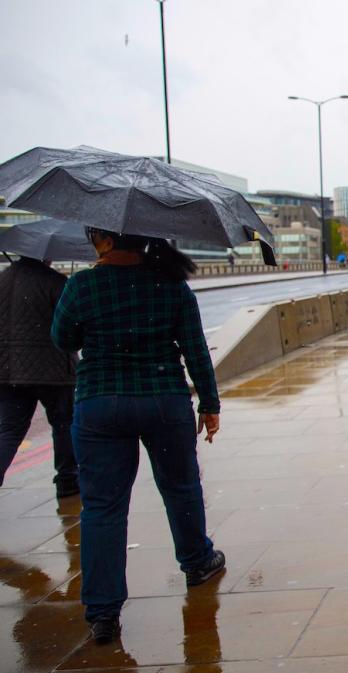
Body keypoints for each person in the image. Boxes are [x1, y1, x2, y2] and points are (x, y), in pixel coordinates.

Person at [51, 228, 226, 644]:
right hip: (163, 399)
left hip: (100, 406)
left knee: (102, 507)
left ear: (108, 241)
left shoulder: (82, 284)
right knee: (181, 487)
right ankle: (197, 560)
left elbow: (62, 339)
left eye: (93, 234)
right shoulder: (170, 283)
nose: (91, 240)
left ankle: (103, 612)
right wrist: (210, 404)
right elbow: (194, 348)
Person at [0, 256, 79, 497]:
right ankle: (67, 480)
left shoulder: (2, 280)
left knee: (9, 429)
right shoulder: (55, 282)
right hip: (53, 369)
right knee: (64, 424)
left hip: (8, 369)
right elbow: (72, 326)